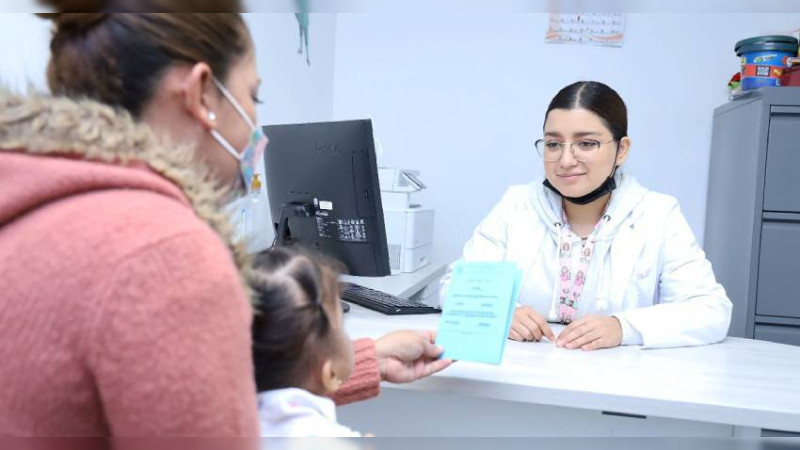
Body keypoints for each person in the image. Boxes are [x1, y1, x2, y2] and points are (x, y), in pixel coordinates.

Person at [0, 3, 449, 437]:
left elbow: (175, 391)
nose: (257, 125)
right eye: (254, 96)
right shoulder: (164, 250)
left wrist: (356, 361)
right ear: (200, 94)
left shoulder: (38, 202)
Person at [442, 81, 732, 350]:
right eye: (554, 144)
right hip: (524, 374)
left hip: (621, 381)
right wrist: (500, 312)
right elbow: (456, 287)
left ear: (622, 150)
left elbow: (710, 310)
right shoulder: (517, 205)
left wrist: (622, 328)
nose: (566, 160)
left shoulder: (657, 214)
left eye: (586, 143)